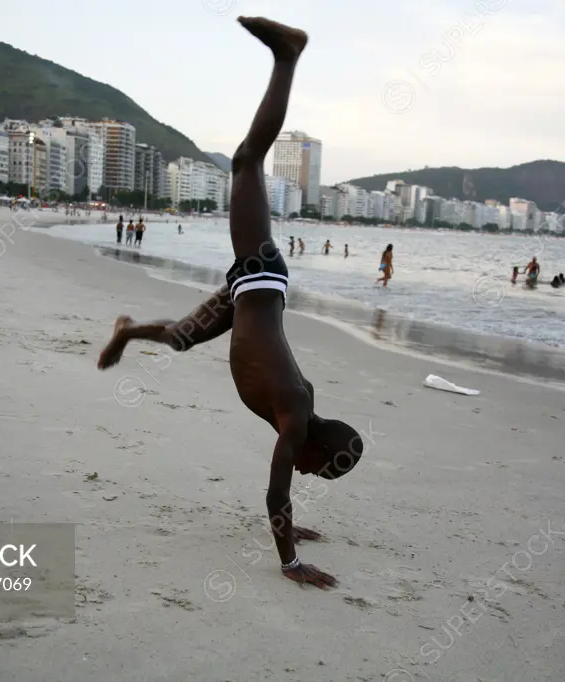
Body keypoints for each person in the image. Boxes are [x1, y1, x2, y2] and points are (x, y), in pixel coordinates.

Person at [96, 16, 360, 589]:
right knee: (246, 161)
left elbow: (287, 492)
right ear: (317, 450)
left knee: (180, 337)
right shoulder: (293, 420)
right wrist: (291, 560)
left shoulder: (301, 414)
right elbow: (275, 493)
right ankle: (287, 57)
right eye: (323, 471)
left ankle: (126, 330)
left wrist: (297, 523)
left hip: (252, 298)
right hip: (261, 277)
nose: (312, 474)